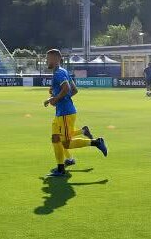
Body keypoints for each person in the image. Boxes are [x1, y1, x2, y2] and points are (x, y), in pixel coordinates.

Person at [44, 49, 108, 177]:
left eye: (48, 58)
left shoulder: (58, 73)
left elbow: (67, 88)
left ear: (56, 59)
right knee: (55, 138)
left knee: (66, 143)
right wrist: (59, 97)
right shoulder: (62, 71)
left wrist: (56, 99)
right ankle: (61, 167)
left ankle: (96, 142)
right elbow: (74, 90)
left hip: (65, 114)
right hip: (63, 112)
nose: (47, 61)